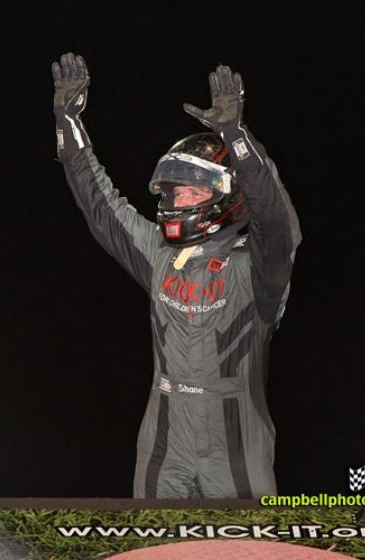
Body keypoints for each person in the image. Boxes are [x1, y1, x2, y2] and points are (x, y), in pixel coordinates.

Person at [52, 52, 302, 498]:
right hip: (164, 433)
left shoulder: (259, 267)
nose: (181, 199)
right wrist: (68, 123)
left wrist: (236, 137)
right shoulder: (159, 253)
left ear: (225, 197)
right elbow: (100, 205)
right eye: (175, 190)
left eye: (193, 190)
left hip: (236, 440)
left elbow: (276, 220)